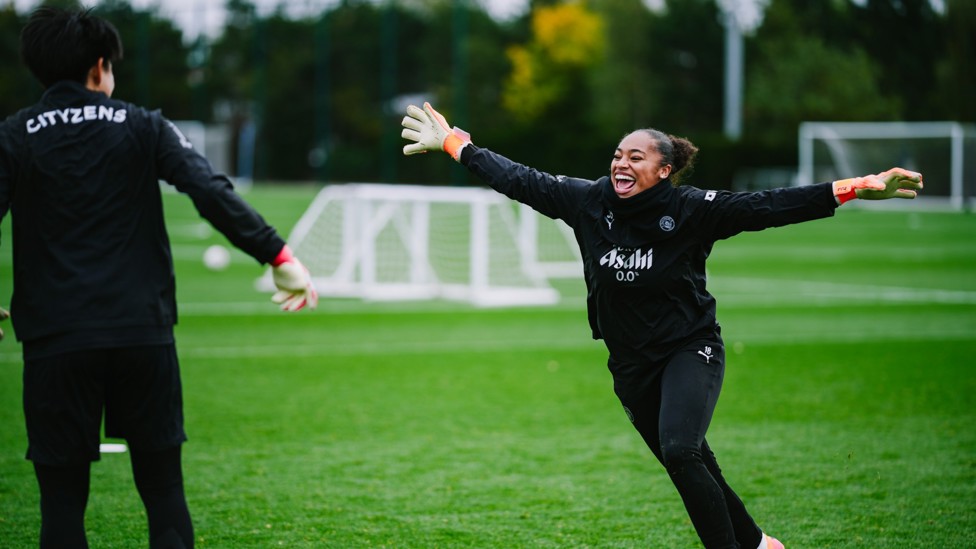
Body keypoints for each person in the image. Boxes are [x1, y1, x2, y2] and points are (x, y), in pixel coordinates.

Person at [401, 102, 922, 549]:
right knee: (693, 463)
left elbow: (768, 205)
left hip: (689, 349)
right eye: (617, 155)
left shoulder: (692, 210)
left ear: (664, 169)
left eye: (636, 156)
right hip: (630, 366)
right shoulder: (589, 200)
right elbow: (519, 179)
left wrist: (854, 189)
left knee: (680, 448)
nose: (620, 163)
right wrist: (454, 144)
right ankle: (760, 543)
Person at [0, 7, 318, 548]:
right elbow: (209, 190)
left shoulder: (13, 135)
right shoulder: (142, 124)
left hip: (55, 337)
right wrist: (278, 256)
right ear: (100, 67)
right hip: (140, 332)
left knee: (60, 504)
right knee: (164, 490)